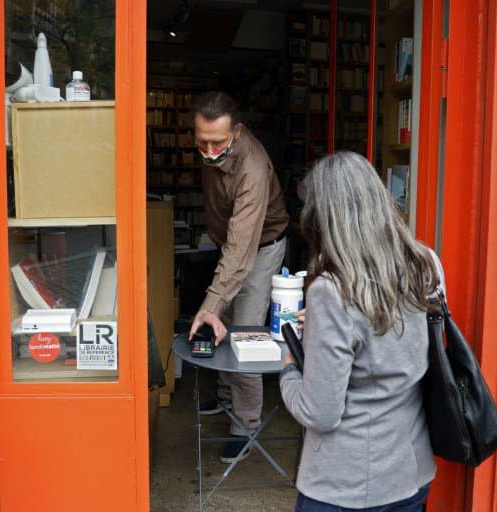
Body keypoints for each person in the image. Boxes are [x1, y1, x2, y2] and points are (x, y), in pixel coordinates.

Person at [279, 151, 442, 511]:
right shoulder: (426, 265)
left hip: (343, 484)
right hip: (410, 470)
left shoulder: (330, 292)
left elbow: (320, 412)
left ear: (323, 219)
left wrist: (289, 367)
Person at [187, 91, 289, 463]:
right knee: (223, 322)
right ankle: (228, 400)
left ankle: (245, 426)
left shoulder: (253, 169)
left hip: (260, 249)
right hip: (229, 244)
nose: (209, 150)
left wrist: (211, 303)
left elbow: (243, 248)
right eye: (202, 141)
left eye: (218, 142)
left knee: (246, 332)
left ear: (239, 132)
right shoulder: (212, 146)